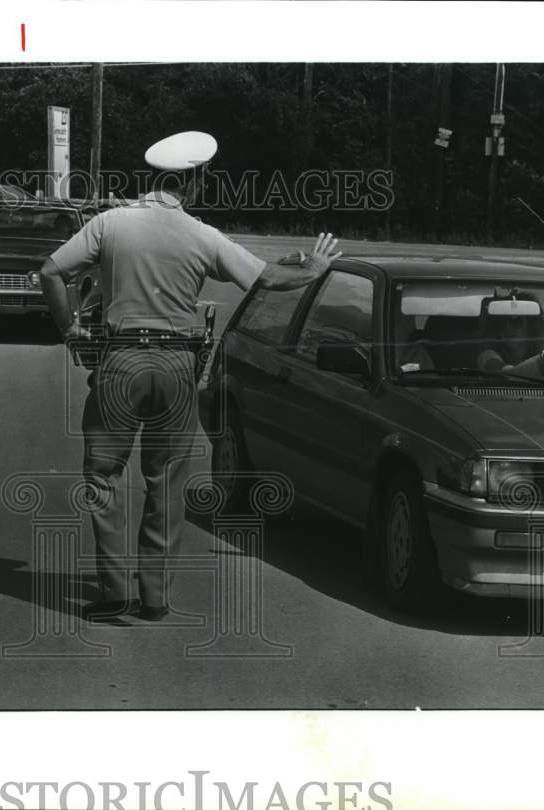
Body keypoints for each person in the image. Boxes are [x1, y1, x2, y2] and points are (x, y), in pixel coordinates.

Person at [39, 131, 341, 621]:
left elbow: (50, 272)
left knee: (102, 476)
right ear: (194, 181)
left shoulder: (110, 223)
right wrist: (316, 266)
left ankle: (113, 589)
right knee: (166, 479)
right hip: (179, 365)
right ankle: (154, 596)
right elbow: (269, 279)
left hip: (120, 360)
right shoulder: (202, 235)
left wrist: (71, 328)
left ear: (156, 179)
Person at [476, 299, 544, 378]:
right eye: (502, 322)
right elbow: (507, 376)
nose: (507, 328)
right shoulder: (487, 356)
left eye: (515, 321)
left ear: (531, 325)